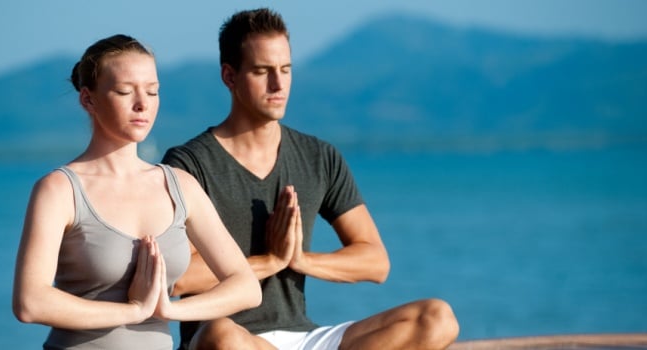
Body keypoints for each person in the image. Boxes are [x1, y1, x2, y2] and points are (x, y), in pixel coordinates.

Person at [161, 8, 459, 350]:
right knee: (222, 335)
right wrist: (269, 261)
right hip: (232, 339)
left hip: (305, 338)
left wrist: (301, 260)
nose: (278, 84)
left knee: (436, 317)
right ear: (230, 76)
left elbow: (375, 262)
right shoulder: (189, 164)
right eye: (262, 71)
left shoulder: (318, 157)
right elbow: (180, 278)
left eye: (286, 69)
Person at [11, 34, 261, 350]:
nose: (142, 103)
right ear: (88, 99)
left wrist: (168, 309)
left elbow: (246, 286)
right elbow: (29, 302)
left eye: (152, 91)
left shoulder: (180, 186)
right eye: (125, 92)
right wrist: (132, 310)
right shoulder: (59, 190)